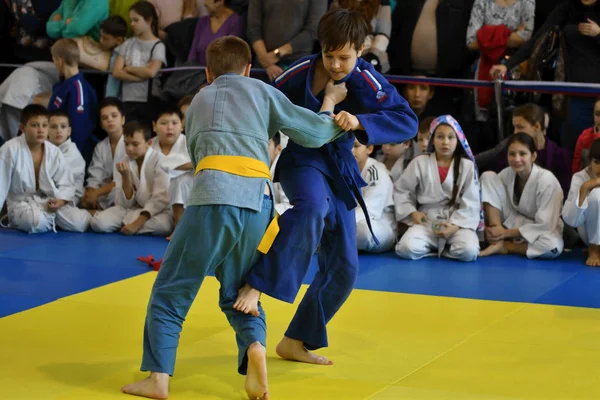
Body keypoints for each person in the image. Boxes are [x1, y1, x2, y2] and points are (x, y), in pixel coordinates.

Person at [120, 35, 349, 400]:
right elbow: (314, 133)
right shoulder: (262, 91)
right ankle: (254, 348)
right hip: (258, 202)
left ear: (208, 73)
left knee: (171, 289)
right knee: (240, 291)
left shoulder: (198, 100)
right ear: (247, 68)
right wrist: (330, 103)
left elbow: (197, 156)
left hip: (212, 195)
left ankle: (158, 378)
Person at [234, 9, 418, 365]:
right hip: (302, 160)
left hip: (340, 169)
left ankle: (295, 340)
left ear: (361, 49)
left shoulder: (368, 78)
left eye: (344, 57)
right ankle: (257, 283)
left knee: (345, 268)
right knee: (313, 209)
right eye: (329, 55)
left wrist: (361, 120)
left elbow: (406, 120)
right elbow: (262, 103)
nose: (335, 65)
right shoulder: (300, 70)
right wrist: (262, 142)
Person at [394, 115, 480, 262]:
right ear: (433, 139)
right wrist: (412, 212)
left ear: (458, 140)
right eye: (440, 137)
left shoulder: (467, 166)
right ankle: (438, 248)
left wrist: (455, 226)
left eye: (450, 137)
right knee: (406, 248)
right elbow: (402, 191)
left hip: (456, 222)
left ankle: (440, 248)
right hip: (427, 220)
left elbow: (471, 202)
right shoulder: (420, 162)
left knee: (469, 251)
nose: (445, 142)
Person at [479, 133, 564, 259]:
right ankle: (496, 236)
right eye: (512, 154)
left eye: (522, 154)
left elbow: (545, 225)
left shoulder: (547, 181)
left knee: (552, 247)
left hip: (541, 229)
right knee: (488, 176)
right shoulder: (507, 174)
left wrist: (505, 233)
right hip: (512, 222)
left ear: (533, 156)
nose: (516, 159)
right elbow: (493, 197)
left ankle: (505, 246)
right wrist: (495, 230)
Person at [47, 38, 99, 162]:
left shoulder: (78, 88)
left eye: (53, 60)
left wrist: (71, 158)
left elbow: (80, 127)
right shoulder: (64, 85)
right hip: (57, 150)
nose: (54, 64)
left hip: (70, 156)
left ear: (59, 60)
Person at [563, 138, 600, 266]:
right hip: (589, 233)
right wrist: (585, 188)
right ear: (590, 161)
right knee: (597, 195)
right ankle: (594, 249)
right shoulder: (579, 178)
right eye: (597, 162)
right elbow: (572, 220)